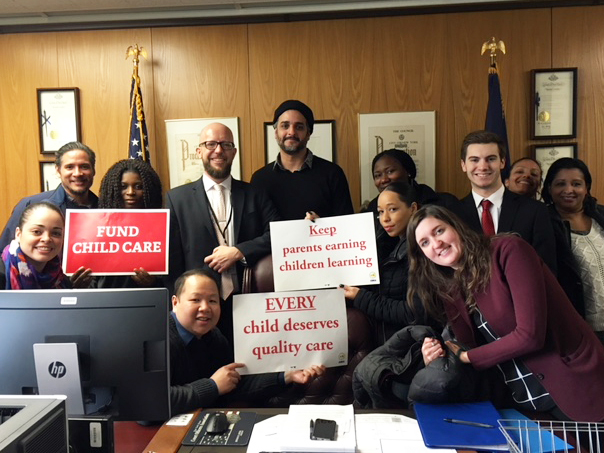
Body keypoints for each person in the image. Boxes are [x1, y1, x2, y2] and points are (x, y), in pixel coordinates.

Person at [407, 204, 604, 422]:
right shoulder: (451, 287)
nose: (437, 244)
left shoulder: (508, 250)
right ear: (422, 254)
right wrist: (437, 356)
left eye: (439, 231)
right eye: (425, 243)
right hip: (520, 403)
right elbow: (467, 346)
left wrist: (464, 357)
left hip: (572, 387)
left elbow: (530, 336)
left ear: (456, 226)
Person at [166, 122, 280, 341]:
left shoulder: (255, 193)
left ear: (234, 152)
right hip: (199, 312)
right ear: (199, 151)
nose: (218, 150)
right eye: (211, 144)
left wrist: (239, 251)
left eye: (225, 144)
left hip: (250, 303)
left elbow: (277, 234)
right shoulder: (176, 199)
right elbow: (173, 262)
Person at [170, 268, 324, 415]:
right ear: (175, 303)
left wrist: (287, 376)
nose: (205, 308)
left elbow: (233, 384)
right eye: (195, 300)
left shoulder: (214, 336)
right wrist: (213, 386)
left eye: (212, 301)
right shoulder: (157, 339)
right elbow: (155, 401)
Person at [340, 182, 440, 346]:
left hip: (415, 345)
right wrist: (317, 227)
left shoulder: (422, 250)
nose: (385, 218)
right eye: (380, 212)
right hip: (385, 341)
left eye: (393, 209)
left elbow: (414, 313)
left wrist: (361, 297)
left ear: (413, 208)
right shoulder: (384, 244)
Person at [452, 130, 557, 272]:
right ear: (463, 165)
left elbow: (546, 269)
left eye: (491, 159)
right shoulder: (453, 214)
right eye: (474, 160)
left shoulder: (534, 211)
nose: (483, 166)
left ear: (502, 162)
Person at [251, 100, 353, 220]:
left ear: (308, 133)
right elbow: (255, 230)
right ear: (276, 132)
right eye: (285, 126)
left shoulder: (333, 174)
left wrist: (322, 227)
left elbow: (347, 228)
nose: (292, 132)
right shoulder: (260, 179)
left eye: (299, 127)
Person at [542, 158, 604, 343]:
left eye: (576, 184)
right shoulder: (543, 224)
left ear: (586, 188)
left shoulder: (601, 216)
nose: (569, 190)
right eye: (560, 184)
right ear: (549, 189)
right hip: (581, 329)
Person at [0, 141, 99, 253]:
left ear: (93, 170)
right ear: (58, 171)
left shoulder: (107, 209)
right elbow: (3, 255)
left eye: (84, 167)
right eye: (69, 167)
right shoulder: (30, 205)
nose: (77, 173)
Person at [363, 148, 459, 261]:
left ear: (408, 171)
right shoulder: (371, 211)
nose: (383, 179)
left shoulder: (443, 203)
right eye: (378, 175)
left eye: (390, 171)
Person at [94, 159, 164, 288]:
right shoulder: (97, 228)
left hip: (149, 302)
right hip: (103, 302)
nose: (130, 192)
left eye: (138, 187)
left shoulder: (163, 228)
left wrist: (154, 282)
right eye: (123, 187)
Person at [1, 202, 70, 289]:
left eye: (56, 233)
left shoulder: (63, 281)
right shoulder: (2, 274)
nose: (46, 239)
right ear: (18, 234)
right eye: (37, 232)